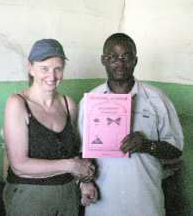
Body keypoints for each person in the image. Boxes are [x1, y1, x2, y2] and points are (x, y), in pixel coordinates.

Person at [78, 33, 184, 216]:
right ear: (103, 60)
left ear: (135, 60)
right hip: (102, 204)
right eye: (112, 57)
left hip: (145, 203)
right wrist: (83, 181)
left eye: (126, 56)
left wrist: (147, 145)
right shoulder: (89, 103)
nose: (119, 63)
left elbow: (176, 150)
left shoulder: (157, 99)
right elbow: (79, 152)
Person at [3, 38, 97, 216]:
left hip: (67, 197)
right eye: (44, 69)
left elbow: (72, 152)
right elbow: (19, 165)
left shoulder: (68, 105)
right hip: (29, 198)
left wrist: (83, 181)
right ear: (30, 68)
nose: (52, 76)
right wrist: (70, 166)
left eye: (58, 69)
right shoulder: (17, 103)